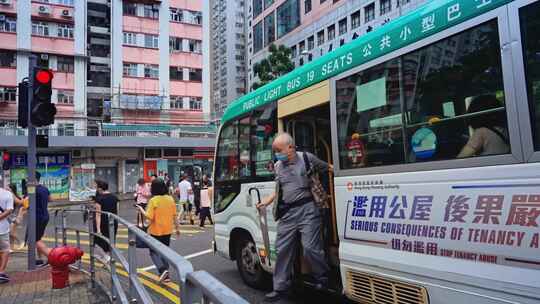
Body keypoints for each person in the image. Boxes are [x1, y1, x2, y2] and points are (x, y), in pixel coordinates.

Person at [257, 133, 331, 302]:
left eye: (279, 150)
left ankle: (322, 277)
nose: (277, 153)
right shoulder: (278, 166)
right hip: (288, 214)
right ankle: (280, 288)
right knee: (281, 249)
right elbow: (278, 190)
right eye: (275, 150)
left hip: (308, 210)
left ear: (290, 147)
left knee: (310, 248)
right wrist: (265, 202)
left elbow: (328, 167)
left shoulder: (307, 158)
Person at [136, 179, 180, 283]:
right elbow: (175, 216)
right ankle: (166, 275)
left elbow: (149, 216)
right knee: (164, 251)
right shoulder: (170, 199)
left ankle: (162, 270)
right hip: (168, 230)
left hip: (156, 230)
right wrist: (177, 229)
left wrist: (141, 210)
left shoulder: (154, 200)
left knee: (153, 251)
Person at [93, 179, 119, 264]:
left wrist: (98, 229)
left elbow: (98, 215)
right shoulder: (115, 197)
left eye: (97, 187)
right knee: (110, 241)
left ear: (100, 188)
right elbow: (117, 212)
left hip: (103, 223)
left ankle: (106, 257)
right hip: (113, 222)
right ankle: (107, 257)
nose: (96, 189)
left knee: (97, 242)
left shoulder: (99, 199)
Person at [35, 172, 51, 266]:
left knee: (35, 239)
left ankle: (51, 257)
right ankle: (40, 259)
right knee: (38, 238)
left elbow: (24, 202)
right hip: (45, 216)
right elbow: (51, 199)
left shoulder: (33, 190)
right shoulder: (44, 188)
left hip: (38, 217)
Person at [0, 186, 14, 283]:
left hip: (3, 228)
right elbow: (9, 210)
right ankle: (1, 272)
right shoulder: (7, 193)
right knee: (5, 250)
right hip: (3, 228)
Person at [7, 184, 24, 250]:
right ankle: (11, 248)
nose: (6, 189)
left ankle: (21, 241)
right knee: (11, 233)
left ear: (11, 189)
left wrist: (20, 214)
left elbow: (21, 203)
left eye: (8, 188)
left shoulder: (13, 196)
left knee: (11, 232)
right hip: (11, 217)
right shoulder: (9, 195)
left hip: (15, 217)